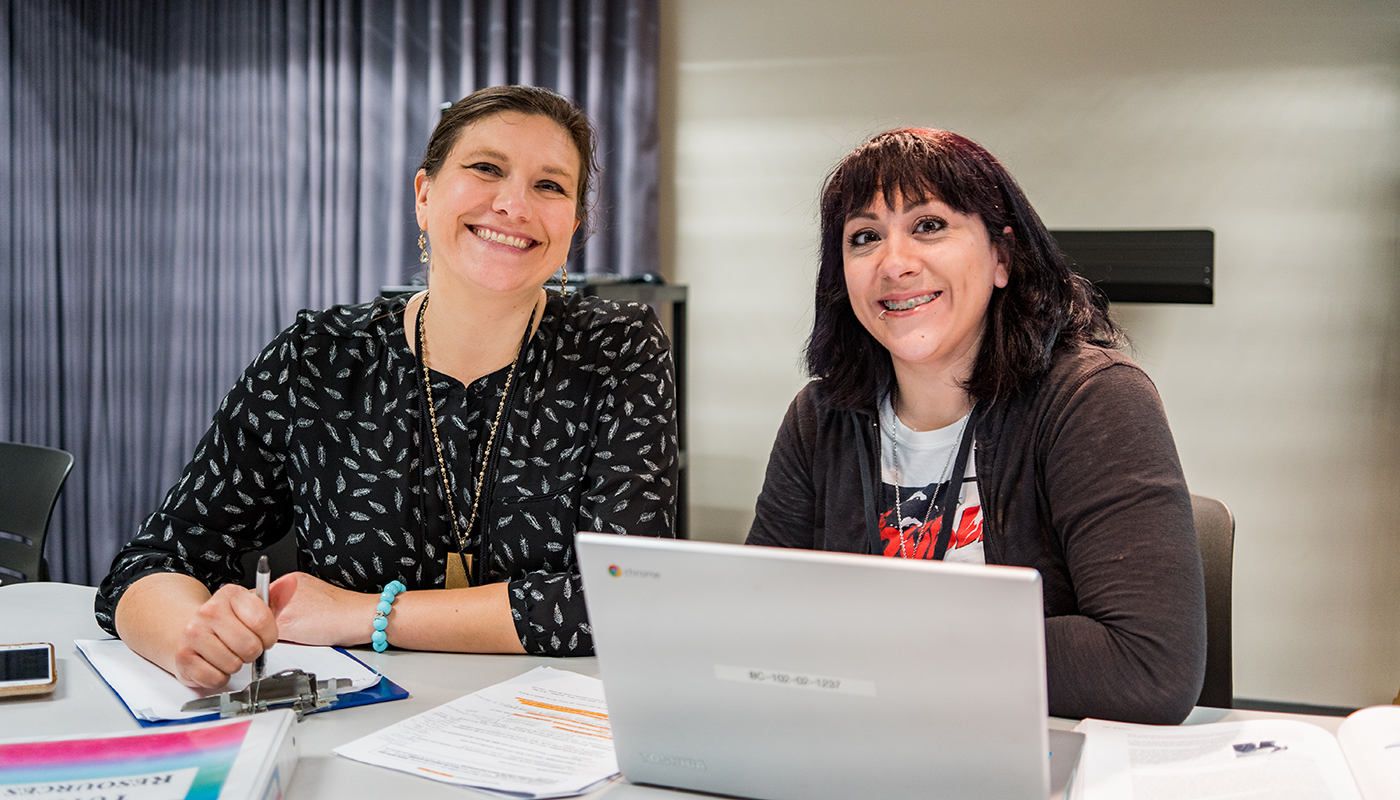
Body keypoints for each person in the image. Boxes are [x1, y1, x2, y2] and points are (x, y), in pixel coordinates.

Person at [96, 85, 679, 689]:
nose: (514, 204)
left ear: (574, 226)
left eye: (550, 185)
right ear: (424, 195)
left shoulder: (619, 349)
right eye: (486, 169)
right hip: (352, 724)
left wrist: (365, 614)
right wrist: (191, 638)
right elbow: (155, 560)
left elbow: (625, 595)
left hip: (550, 729)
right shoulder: (318, 357)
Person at [746, 128, 1205, 725]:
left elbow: (1149, 666)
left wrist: (875, 651)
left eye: (929, 225)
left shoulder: (1094, 399)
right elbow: (756, 628)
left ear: (1002, 259)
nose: (895, 263)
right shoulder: (819, 419)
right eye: (864, 238)